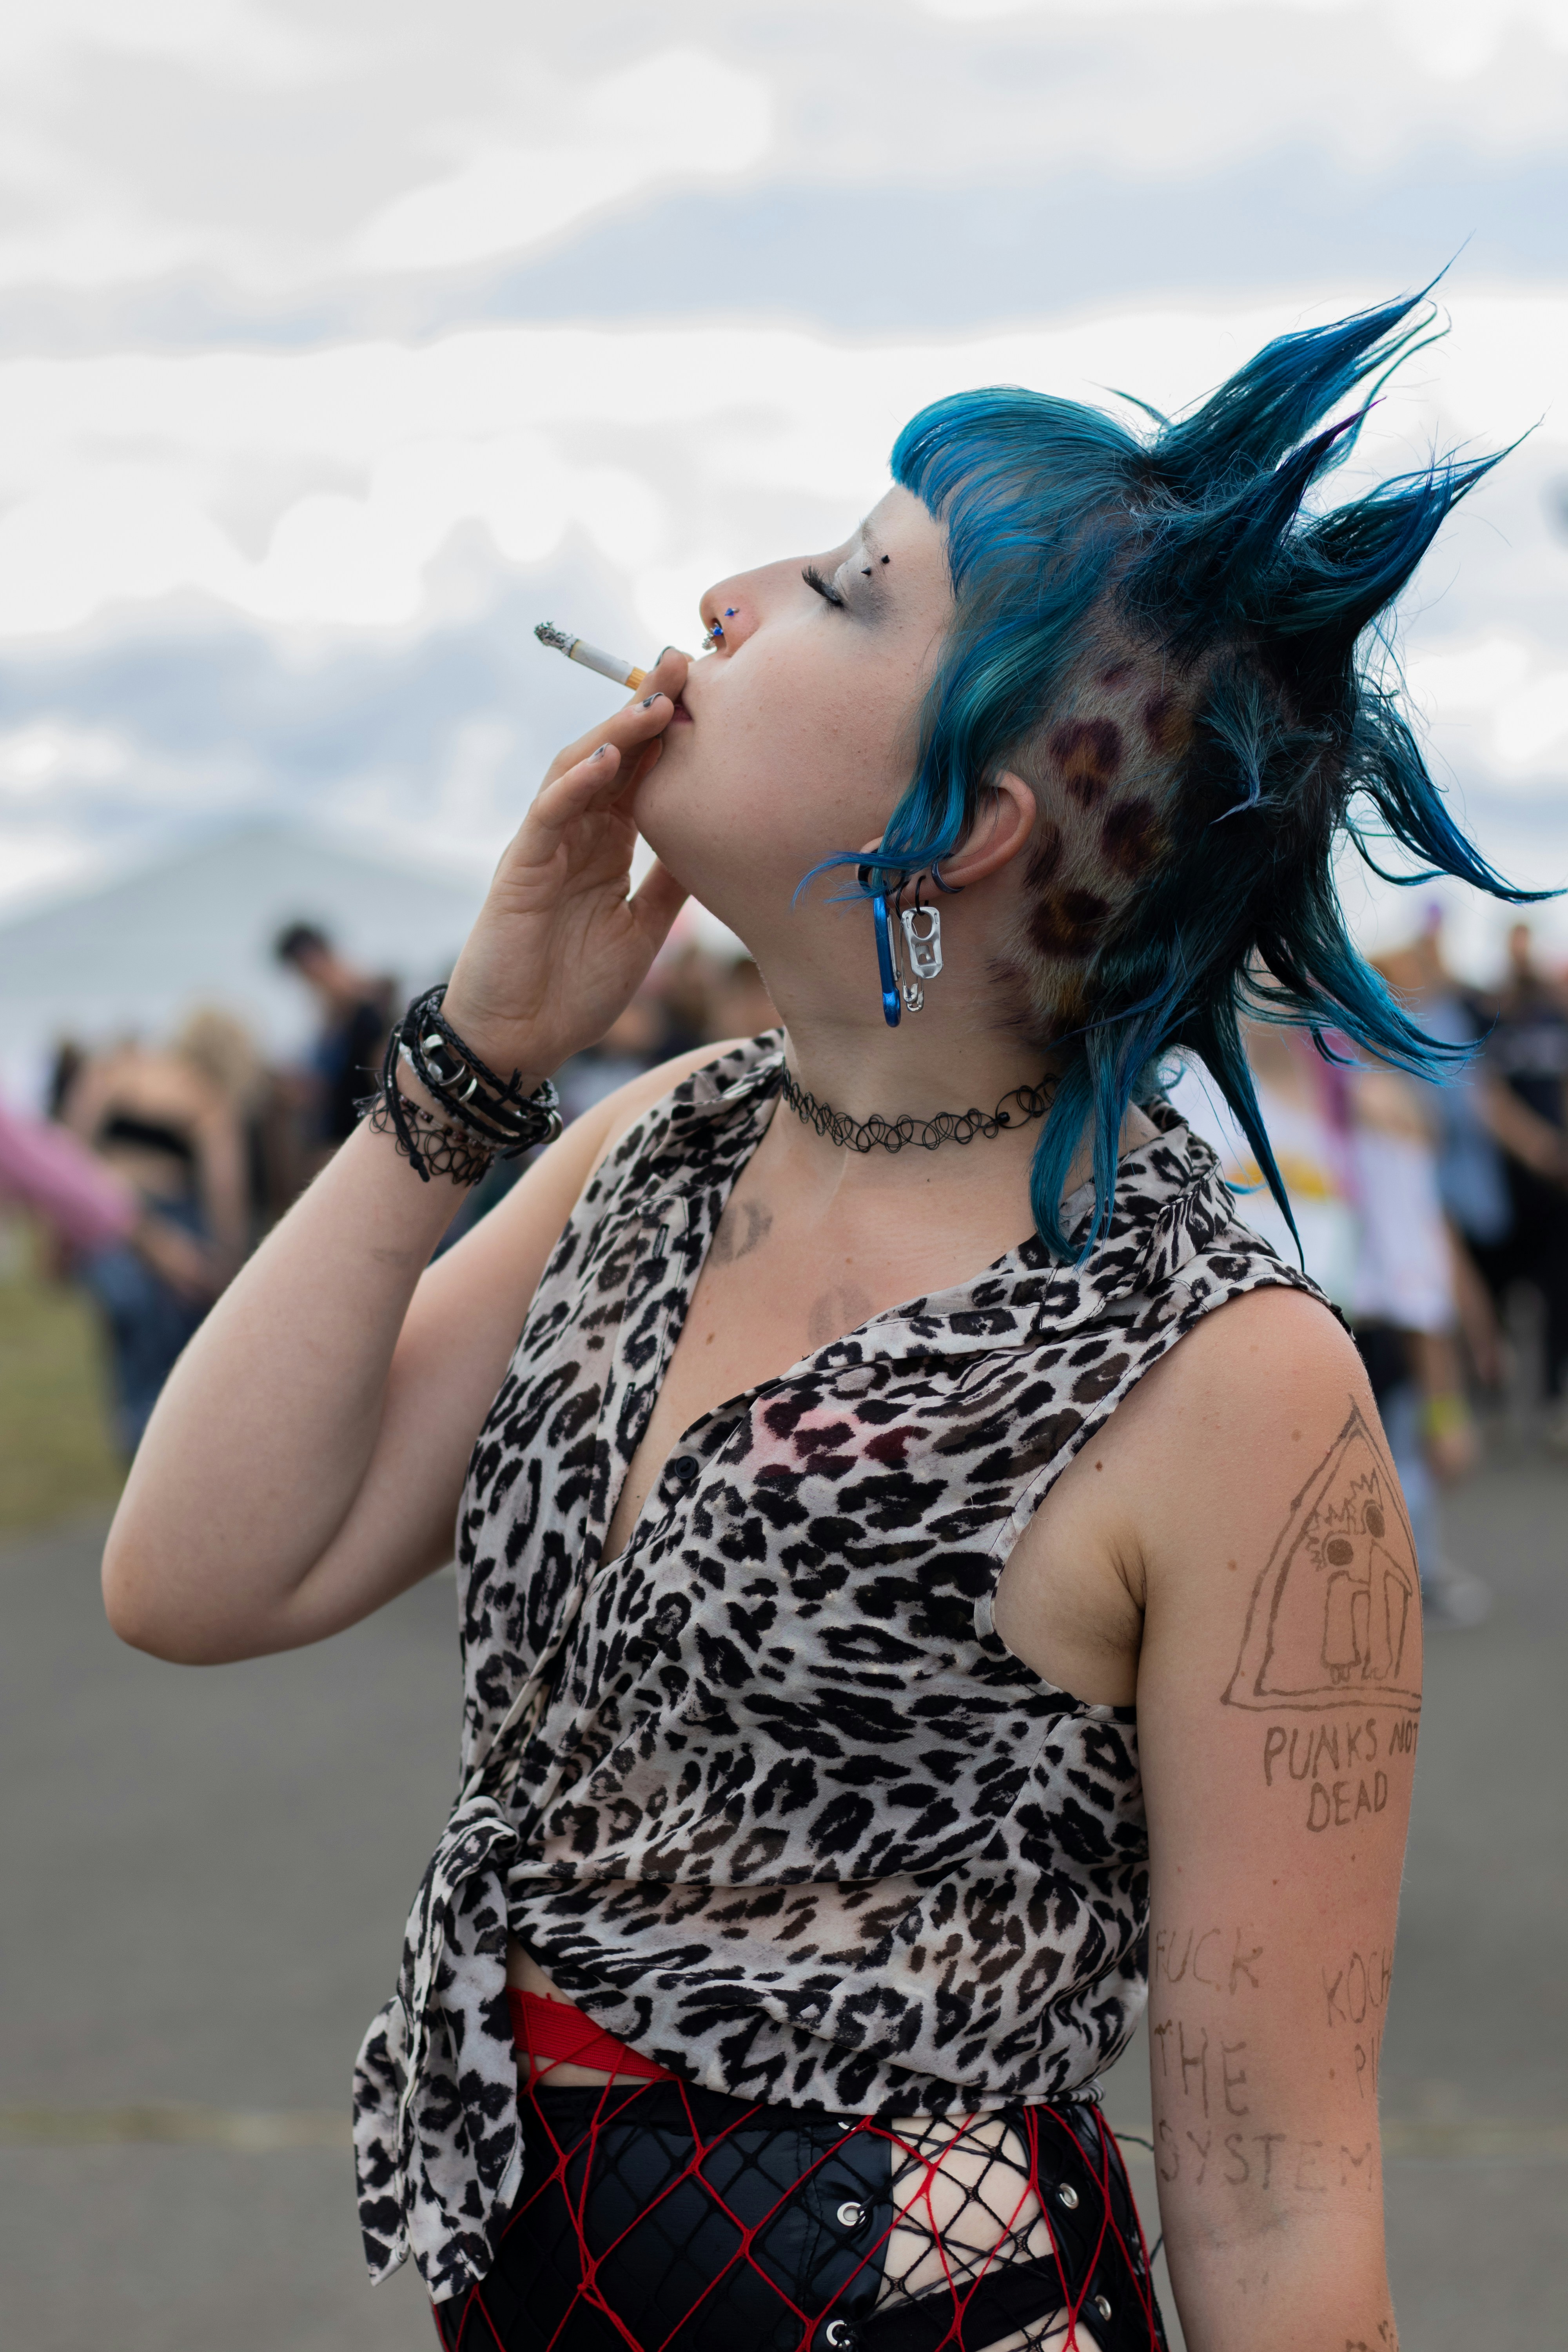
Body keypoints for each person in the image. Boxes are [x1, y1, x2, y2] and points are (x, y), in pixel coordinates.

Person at [103, 295, 1535, 2352]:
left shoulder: (1230, 1380)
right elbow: (199, 1574)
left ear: (957, 829)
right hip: (535, 2279)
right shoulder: (659, 1149)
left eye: (847, 587)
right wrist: (481, 1056)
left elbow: (1285, 2203)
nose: (725, 596)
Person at [57, 1033, 248, 1451]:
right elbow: (224, 1185)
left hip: (108, 1221)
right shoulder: (206, 1094)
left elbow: (70, 1151)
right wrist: (229, 1256)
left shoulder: (111, 1072)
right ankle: (175, 1452)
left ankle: (135, 1443)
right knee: (180, 1352)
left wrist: (64, 1235)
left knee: (128, 1343)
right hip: (175, 1221)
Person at [273, 922, 392, 1164]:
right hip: (341, 1136)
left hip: (354, 1141)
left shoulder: (365, 1007)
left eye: (302, 972)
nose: (305, 982)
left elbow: (379, 1076)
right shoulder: (334, 1013)